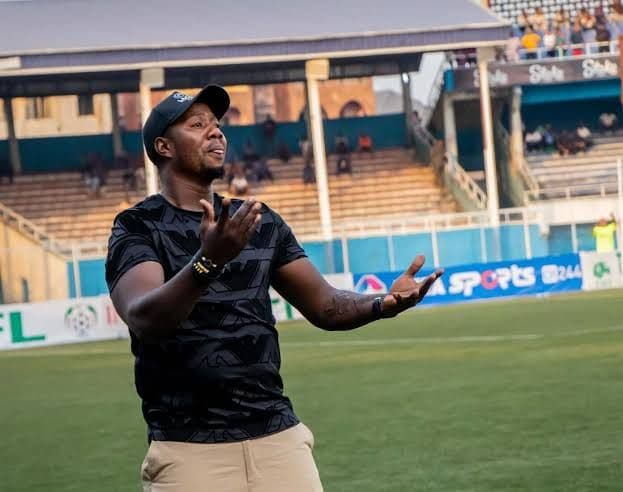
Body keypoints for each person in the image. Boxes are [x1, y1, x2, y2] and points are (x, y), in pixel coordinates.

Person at [105, 85, 444, 491]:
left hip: (278, 440)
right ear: (164, 146)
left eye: (216, 124)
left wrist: (381, 304)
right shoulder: (137, 226)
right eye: (197, 125)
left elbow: (325, 304)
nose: (216, 132)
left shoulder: (258, 221)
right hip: (189, 452)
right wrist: (208, 261)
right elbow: (145, 318)